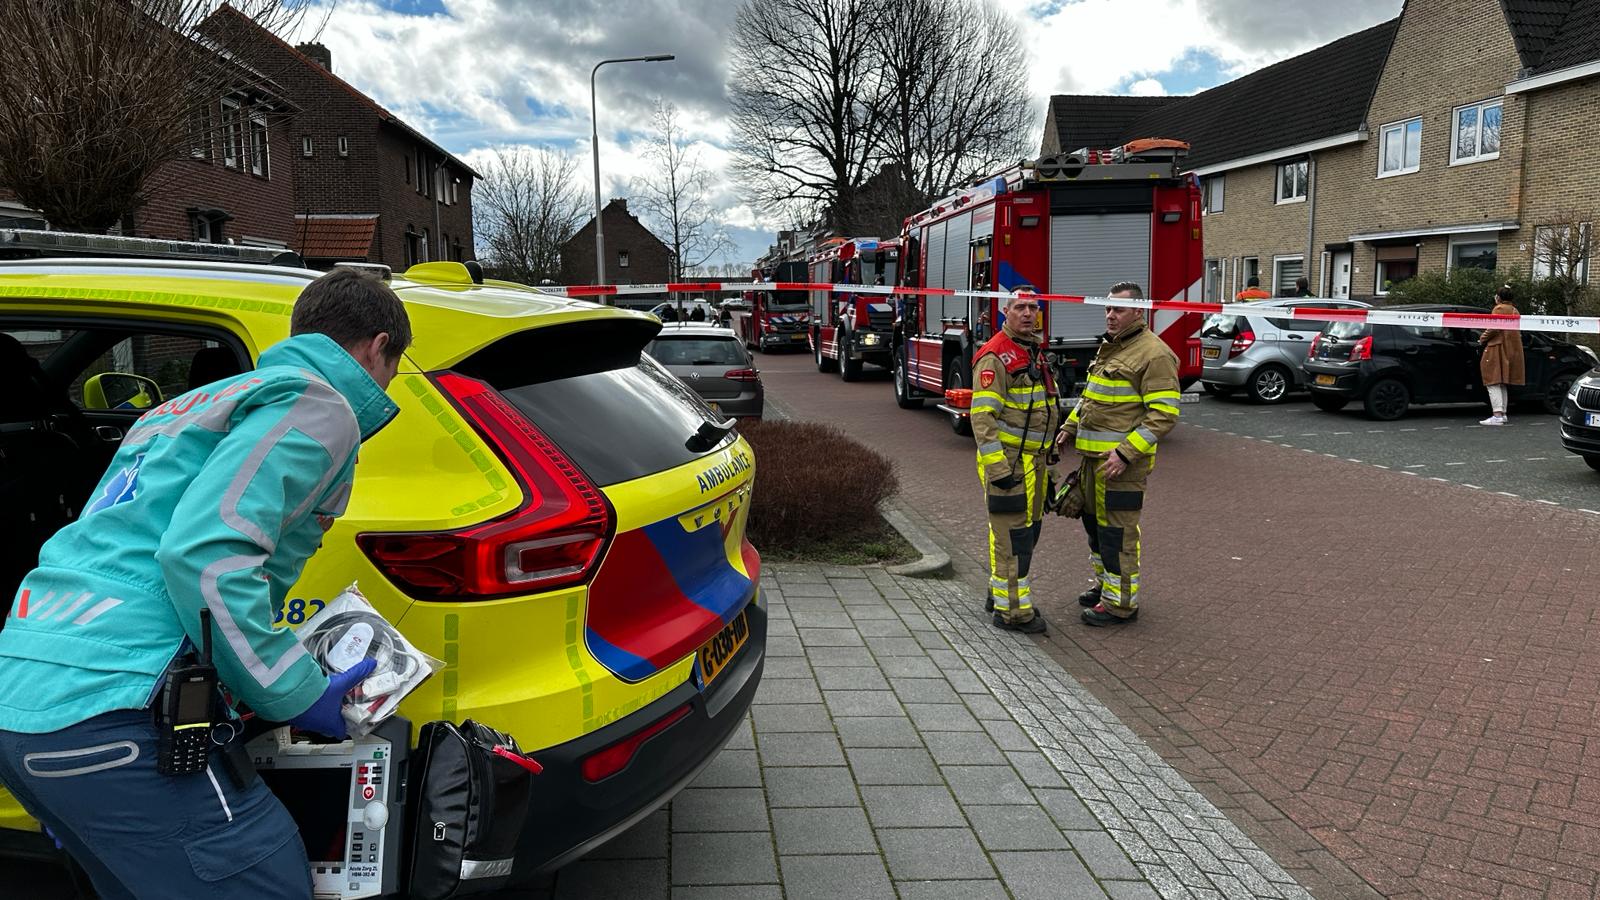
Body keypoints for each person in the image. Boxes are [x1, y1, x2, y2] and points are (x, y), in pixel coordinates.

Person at [0, 269, 410, 899]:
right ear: (377, 347)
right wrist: (293, 691)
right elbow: (202, 556)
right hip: (116, 710)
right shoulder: (317, 403)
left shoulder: (184, 408)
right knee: (266, 879)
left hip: (30, 700)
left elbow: (119, 542)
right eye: (392, 368)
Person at [1056, 282, 1180, 627]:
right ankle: (1106, 587)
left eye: (1119, 310)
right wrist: (1070, 425)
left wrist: (1125, 454)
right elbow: (1092, 397)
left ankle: (1121, 605)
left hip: (1121, 467)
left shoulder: (1154, 354)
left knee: (1118, 534)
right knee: (1096, 529)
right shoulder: (1111, 348)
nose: (1110, 315)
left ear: (1139, 311)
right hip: (1093, 463)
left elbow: (1164, 415)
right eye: (1108, 309)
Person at [971, 289, 1059, 634]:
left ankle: (1001, 593)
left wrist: (1048, 466)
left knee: (1028, 533)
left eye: (1033, 308)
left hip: (1033, 463)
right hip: (1008, 464)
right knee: (1012, 538)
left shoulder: (1032, 350)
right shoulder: (995, 356)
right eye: (1020, 307)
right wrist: (998, 470)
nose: (1027, 313)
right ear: (1004, 312)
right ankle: (1013, 613)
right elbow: (982, 419)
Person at [1479, 284, 1525, 426]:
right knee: (1502, 382)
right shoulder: (1514, 310)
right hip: (1512, 348)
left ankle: (1497, 415)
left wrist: (1482, 338)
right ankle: (1503, 414)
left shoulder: (1499, 309)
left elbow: (1494, 327)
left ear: (1498, 297)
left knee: (1492, 380)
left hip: (1497, 347)